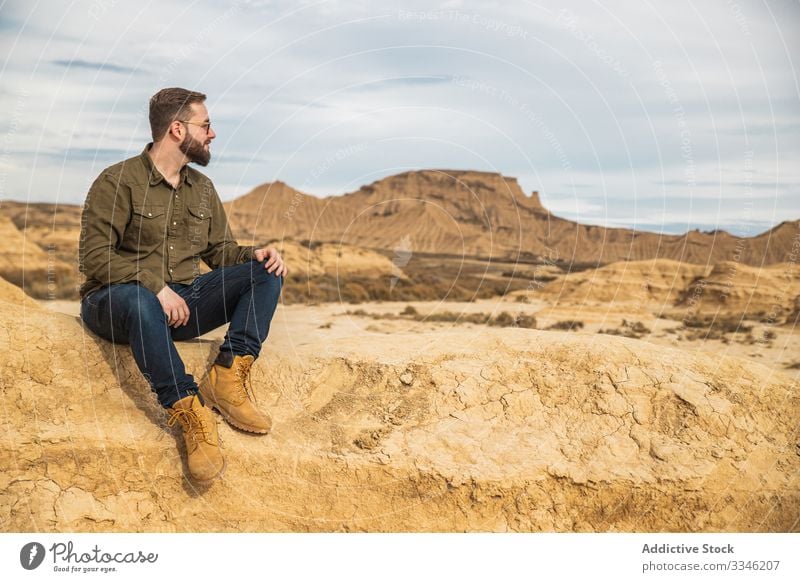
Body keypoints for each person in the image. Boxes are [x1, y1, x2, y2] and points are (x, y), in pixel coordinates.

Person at [78, 87, 286, 484]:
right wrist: (156, 287)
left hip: (183, 305)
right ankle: (187, 410)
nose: (212, 134)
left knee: (267, 273)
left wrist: (256, 254)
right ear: (176, 129)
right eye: (205, 125)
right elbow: (94, 257)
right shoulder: (117, 181)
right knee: (140, 299)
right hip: (116, 305)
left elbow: (220, 252)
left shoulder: (203, 189)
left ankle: (226, 377)